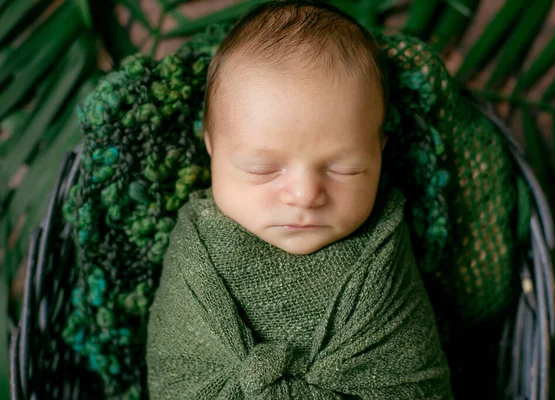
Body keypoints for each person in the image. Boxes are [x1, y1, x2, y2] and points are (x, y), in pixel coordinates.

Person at [146, 1, 453, 398]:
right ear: (211, 149)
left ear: (381, 152)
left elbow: (413, 381)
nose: (305, 195)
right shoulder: (196, 248)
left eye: (345, 169)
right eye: (262, 169)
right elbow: (177, 372)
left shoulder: (384, 247)